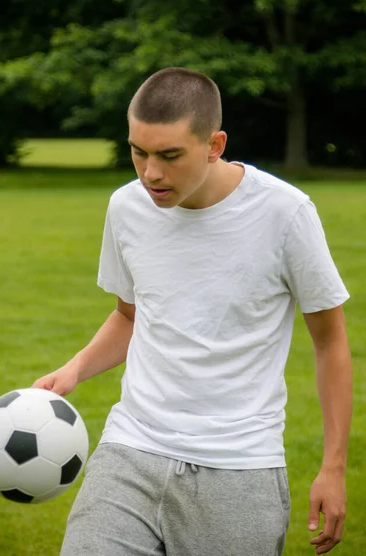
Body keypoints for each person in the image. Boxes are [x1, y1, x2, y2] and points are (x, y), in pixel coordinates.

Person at [33, 67, 352, 556]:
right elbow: (130, 316)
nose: (150, 173)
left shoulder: (285, 214)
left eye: (169, 155)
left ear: (215, 144)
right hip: (130, 450)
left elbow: (330, 341)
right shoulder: (126, 208)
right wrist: (75, 369)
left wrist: (332, 468)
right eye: (138, 151)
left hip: (239, 471)